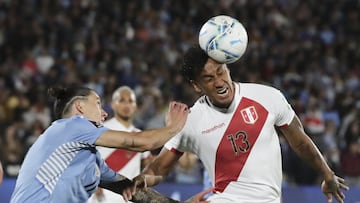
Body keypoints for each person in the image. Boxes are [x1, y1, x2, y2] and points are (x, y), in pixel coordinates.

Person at [129, 45, 349, 203]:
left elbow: (300, 142)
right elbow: (159, 168)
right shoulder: (191, 120)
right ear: (196, 86)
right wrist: (143, 178)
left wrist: (327, 174)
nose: (219, 82)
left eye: (220, 72)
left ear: (228, 67)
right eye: (208, 78)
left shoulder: (267, 97)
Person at [9, 86, 199, 203]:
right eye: (98, 104)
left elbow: (133, 191)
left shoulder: (92, 160)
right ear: (80, 107)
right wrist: (174, 127)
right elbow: (139, 142)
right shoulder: (70, 126)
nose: (104, 113)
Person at [90, 86, 153, 203]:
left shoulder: (140, 135)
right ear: (113, 104)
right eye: (122, 100)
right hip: (102, 195)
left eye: (130, 101)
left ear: (135, 106)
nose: (126, 105)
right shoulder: (101, 128)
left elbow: (149, 164)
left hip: (129, 196)